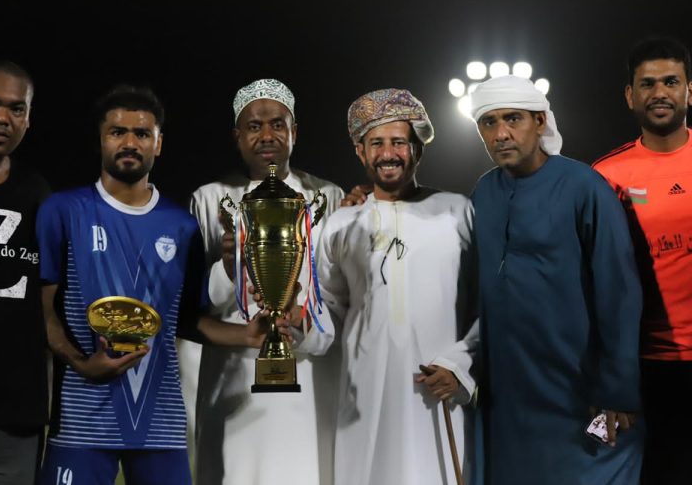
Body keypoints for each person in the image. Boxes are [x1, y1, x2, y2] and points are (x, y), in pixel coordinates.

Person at [36, 85, 278, 485]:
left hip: (160, 424)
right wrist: (81, 364)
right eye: (118, 132)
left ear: (159, 143)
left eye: (142, 133)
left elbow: (185, 320)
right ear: (100, 139)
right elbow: (43, 312)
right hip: (81, 420)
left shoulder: (181, 226)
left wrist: (247, 335)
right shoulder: (63, 211)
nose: (130, 143)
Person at [469, 75, 643, 485]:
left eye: (513, 118)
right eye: (489, 122)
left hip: (576, 386)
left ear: (541, 121)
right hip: (508, 391)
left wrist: (618, 388)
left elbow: (619, 291)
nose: (501, 133)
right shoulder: (483, 192)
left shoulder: (584, 186)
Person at [593, 37, 692, 485]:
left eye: (671, 82)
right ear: (630, 95)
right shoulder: (606, 176)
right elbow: (596, 275)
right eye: (648, 83)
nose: (660, 92)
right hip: (656, 365)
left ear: (690, 92)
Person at [316, 88, 478, 485]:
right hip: (364, 392)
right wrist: (295, 325)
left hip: (440, 390)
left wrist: (461, 366)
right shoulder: (340, 224)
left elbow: (488, 304)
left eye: (399, 142)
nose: (388, 153)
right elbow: (327, 308)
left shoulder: (458, 211)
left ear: (418, 149)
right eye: (376, 143)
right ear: (360, 151)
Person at [187, 78, 344, 485]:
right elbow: (194, 304)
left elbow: (337, 291)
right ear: (237, 137)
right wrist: (227, 267)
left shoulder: (326, 196)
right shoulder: (211, 199)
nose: (267, 136)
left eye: (278, 124)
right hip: (234, 375)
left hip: (309, 372)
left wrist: (305, 323)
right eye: (254, 126)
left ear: (295, 132)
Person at [0, 61, 48, 485]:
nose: (3, 117)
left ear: (29, 118)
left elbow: (50, 299)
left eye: (16, 108)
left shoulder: (39, 195)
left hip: (14, 416)